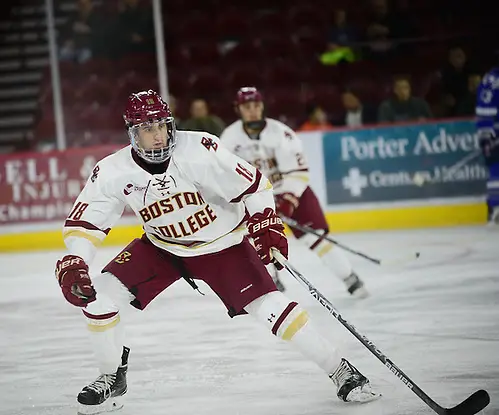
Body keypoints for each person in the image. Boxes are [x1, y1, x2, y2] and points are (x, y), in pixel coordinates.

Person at [54, 90, 379, 414]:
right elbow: (86, 223)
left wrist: (265, 222)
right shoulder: (113, 170)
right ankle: (111, 376)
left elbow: (254, 186)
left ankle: (341, 370)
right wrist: (76, 260)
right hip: (161, 247)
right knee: (98, 297)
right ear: (131, 133)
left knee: (273, 308)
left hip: (223, 246)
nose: (157, 136)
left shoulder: (201, 149)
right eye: (146, 129)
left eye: (161, 126)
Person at [220, 87, 369, 298]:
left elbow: (298, 172)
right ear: (238, 109)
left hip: (292, 193)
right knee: (256, 242)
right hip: (255, 198)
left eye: (255, 105)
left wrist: (288, 199)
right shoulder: (228, 138)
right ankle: (271, 283)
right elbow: (226, 176)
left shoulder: (282, 133)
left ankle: (350, 278)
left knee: (315, 238)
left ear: (262, 106)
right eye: (246, 107)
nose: (252, 111)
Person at [475, 64, 499, 224]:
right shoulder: (492, 80)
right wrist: (487, 134)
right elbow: (484, 108)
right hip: (494, 134)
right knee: (496, 168)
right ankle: (496, 207)